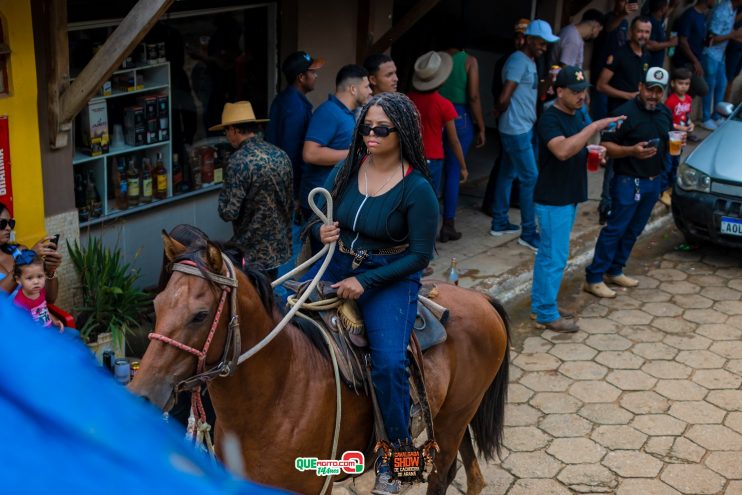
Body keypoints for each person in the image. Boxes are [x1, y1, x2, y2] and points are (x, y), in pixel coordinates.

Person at [302, 92, 437, 495]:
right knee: (274, 316)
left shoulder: (418, 189)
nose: (371, 135)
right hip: (337, 265)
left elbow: (419, 256)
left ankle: (398, 461)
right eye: (366, 127)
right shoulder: (347, 168)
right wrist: (318, 231)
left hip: (390, 277)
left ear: (403, 133)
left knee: (388, 364)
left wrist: (367, 282)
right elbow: (316, 217)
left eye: (381, 129)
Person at [532, 66, 625, 332]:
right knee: (554, 257)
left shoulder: (578, 114)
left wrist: (596, 153)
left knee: (549, 256)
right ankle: (547, 313)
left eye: (583, 91)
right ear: (559, 91)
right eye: (575, 91)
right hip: (553, 199)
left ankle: (543, 305)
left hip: (568, 195)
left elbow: (579, 148)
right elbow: (562, 150)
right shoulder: (549, 119)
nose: (581, 96)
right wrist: (595, 126)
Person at [584, 68, 673, 298]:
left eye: (658, 91)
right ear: (641, 87)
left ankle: (615, 270)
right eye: (650, 89)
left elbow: (667, 140)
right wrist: (631, 151)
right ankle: (594, 277)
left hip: (653, 183)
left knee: (634, 230)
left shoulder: (664, 113)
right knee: (615, 229)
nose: (654, 95)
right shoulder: (623, 114)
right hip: (627, 181)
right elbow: (606, 146)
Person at [491, 19, 559, 252]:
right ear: (529, 40)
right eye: (541, 42)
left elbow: (536, 94)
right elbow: (503, 97)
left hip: (523, 127)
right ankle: (529, 233)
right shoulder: (518, 61)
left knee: (508, 174)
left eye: (547, 43)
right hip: (516, 129)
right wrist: (499, 112)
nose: (544, 47)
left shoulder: (530, 61)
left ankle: (499, 222)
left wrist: (549, 81)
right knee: (531, 178)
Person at [214, 101, 293, 281]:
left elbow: (228, 213)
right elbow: (289, 200)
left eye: (226, 131)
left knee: (254, 301)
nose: (226, 136)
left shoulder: (238, 161)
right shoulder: (280, 154)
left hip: (250, 251)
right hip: (279, 247)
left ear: (233, 130)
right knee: (270, 294)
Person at [596, 16, 652, 225]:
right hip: (616, 117)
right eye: (639, 31)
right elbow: (601, 85)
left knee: (631, 159)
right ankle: (606, 206)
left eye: (646, 32)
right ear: (631, 33)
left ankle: (622, 204)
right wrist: (627, 96)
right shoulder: (619, 55)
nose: (643, 36)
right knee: (612, 162)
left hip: (637, 118)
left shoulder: (646, 56)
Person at [407, 51, 468, 242]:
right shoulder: (443, 104)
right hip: (432, 159)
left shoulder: (408, 98)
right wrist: (463, 166)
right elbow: (454, 140)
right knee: (429, 204)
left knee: (409, 201)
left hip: (409, 156)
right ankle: (424, 253)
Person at [301, 65, 372, 220]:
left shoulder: (347, 113)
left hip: (335, 198)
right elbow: (310, 153)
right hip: (320, 201)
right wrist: (356, 153)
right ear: (353, 89)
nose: (370, 91)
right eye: (366, 86)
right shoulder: (328, 112)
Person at [437, 34, 486, 241]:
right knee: (454, 171)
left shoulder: (436, 59)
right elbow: (473, 96)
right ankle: (448, 224)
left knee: (435, 169)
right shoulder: (469, 61)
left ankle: (426, 225)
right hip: (459, 116)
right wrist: (481, 125)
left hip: (436, 112)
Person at [265, 51, 324, 218]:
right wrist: (295, 195)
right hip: (287, 189)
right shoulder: (295, 107)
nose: (316, 76)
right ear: (301, 77)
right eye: (312, 72)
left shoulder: (286, 99)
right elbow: (290, 153)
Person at [482, 19, 530, 216]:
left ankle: (513, 198)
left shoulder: (532, 61)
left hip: (523, 120)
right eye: (517, 37)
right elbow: (499, 93)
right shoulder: (509, 60)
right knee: (505, 161)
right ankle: (491, 203)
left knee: (515, 163)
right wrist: (500, 109)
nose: (520, 41)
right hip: (509, 119)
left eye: (524, 38)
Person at [0, 201, 62, 300]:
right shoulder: (25, 255)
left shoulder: (19, 251)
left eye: (11, 223)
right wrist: (26, 259)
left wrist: (50, 270)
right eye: (2, 224)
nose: (8, 228)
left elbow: (50, 298)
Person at [590, 0, 639, 120]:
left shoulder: (625, 23)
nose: (626, 4)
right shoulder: (608, 18)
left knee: (615, 119)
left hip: (616, 79)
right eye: (623, 1)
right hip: (600, 75)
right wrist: (622, 14)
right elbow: (609, 28)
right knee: (601, 119)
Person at [701, 0, 742, 130]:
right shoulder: (722, 10)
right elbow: (712, 39)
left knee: (722, 84)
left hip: (720, 56)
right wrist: (733, 35)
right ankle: (705, 118)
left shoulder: (733, 9)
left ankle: (716, 116)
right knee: (710, 86)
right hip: (711, 53)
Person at [660, 67, 695, 205]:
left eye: (686, 84)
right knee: (667, 164)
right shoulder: (671, 101)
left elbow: (687, 117)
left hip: (681, 139)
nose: (684, 87)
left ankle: (671, 187)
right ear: (673, 83)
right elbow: (666, 121)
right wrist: (680, 127)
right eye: (681, 83)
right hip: (671, 138)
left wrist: (690, 124)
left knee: (676, 163)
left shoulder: (688, 99)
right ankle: (662, 190)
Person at [12, 250, 65, 331]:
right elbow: (21, 326)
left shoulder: (41, 291)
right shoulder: (19, 302)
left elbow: (43, 310)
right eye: (29, 278)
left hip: (49, 331)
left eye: (40, 276)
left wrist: (54, 321)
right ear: (18, 280)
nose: (36, 282)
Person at [671, 0, 714, 99]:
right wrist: (695, 61)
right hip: (685, 62)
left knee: (689, 94)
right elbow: (682, 41)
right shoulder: (690, 15)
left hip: (694, 61)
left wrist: (707, 41)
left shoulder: (702, 15)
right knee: (703, 89)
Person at [646, 0, 679, 69]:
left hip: (656, 66)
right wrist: (670, 43)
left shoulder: (657, 20)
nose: (667, 8)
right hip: (651, 66)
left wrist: (673, 6)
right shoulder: (652, 23)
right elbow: (649, 45)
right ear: (662, 8)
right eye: (667, 6)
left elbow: (664, 16)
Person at [724, 14, 742, 103]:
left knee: (733, 77)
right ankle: (724, 106)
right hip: (735, 45)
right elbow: (731, 22)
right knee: (729, 78)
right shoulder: (736, 10)